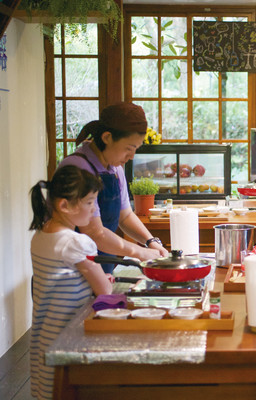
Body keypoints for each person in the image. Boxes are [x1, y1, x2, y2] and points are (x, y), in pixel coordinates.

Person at [29, 165, 113, 400]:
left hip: (44, 333)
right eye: (89, 202)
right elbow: (104, 290)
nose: (93, 209)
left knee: (49, 390)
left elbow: (62, 276)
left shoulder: (41, 235)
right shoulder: (76, 242)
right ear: (64, 205)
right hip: (69, 335)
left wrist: (94, 277)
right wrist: (102, 279)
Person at [59, 102, 168, 273]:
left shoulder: (115, 169)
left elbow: (124, 216)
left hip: (102, 266)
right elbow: (94, 233)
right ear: (107, 137)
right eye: (128, 148)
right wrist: (141, 253)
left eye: (136, 149)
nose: (132, 156)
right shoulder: (78, 168)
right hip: (72, 273)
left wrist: (150, 241)